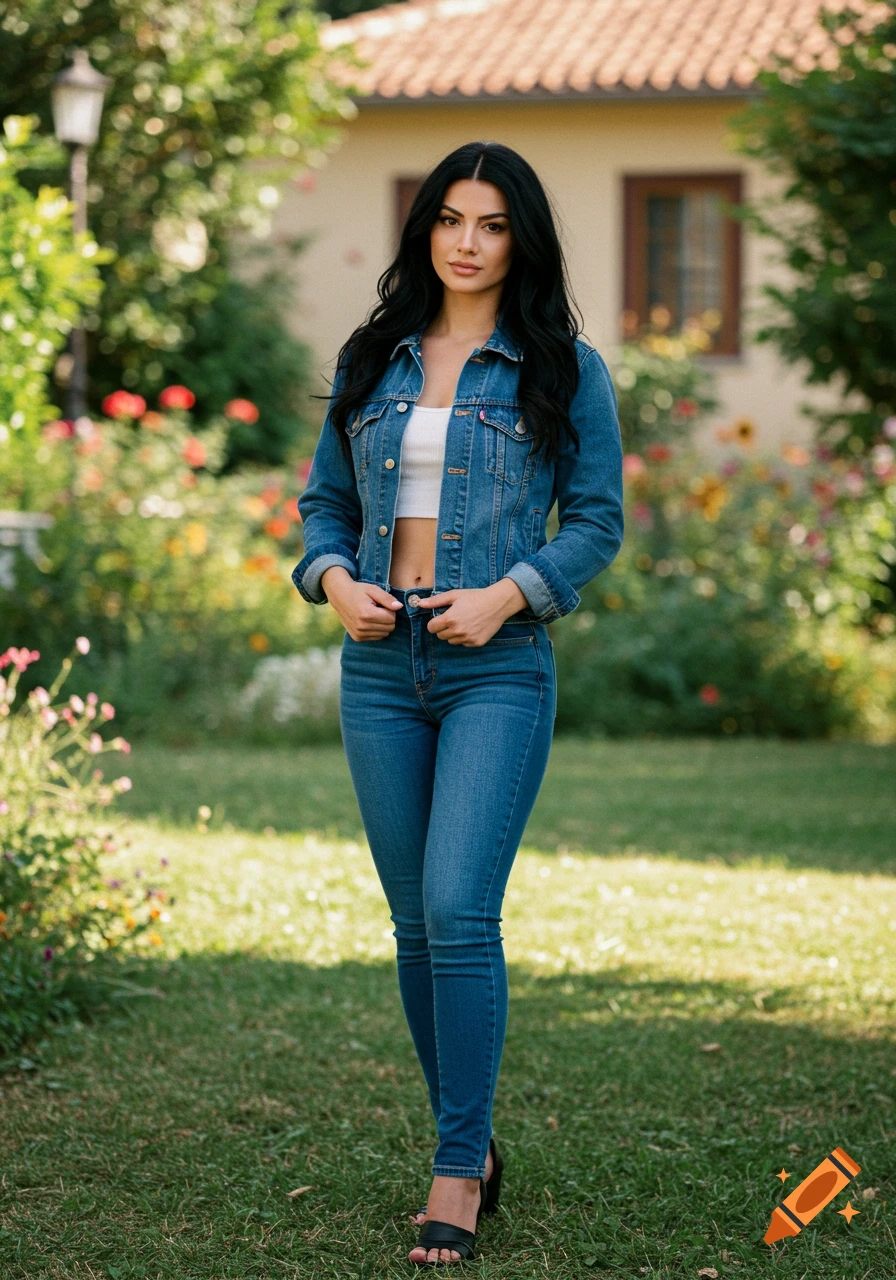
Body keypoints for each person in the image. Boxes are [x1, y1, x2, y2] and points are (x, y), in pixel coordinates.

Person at [292, 140, 624, 1266]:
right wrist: (334, 582)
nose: (466, 242)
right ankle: (472, 1143)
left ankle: (453, 1168)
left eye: (490, 224)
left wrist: (506, 595)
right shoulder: (372, 356)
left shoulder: (562, 369)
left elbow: (595, 521)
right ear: (423, 228)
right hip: (381, 670)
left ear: (520, 240)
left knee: (456, 910)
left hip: (497, 665)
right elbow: (324, 505)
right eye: (448, 218)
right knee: (412, 927)